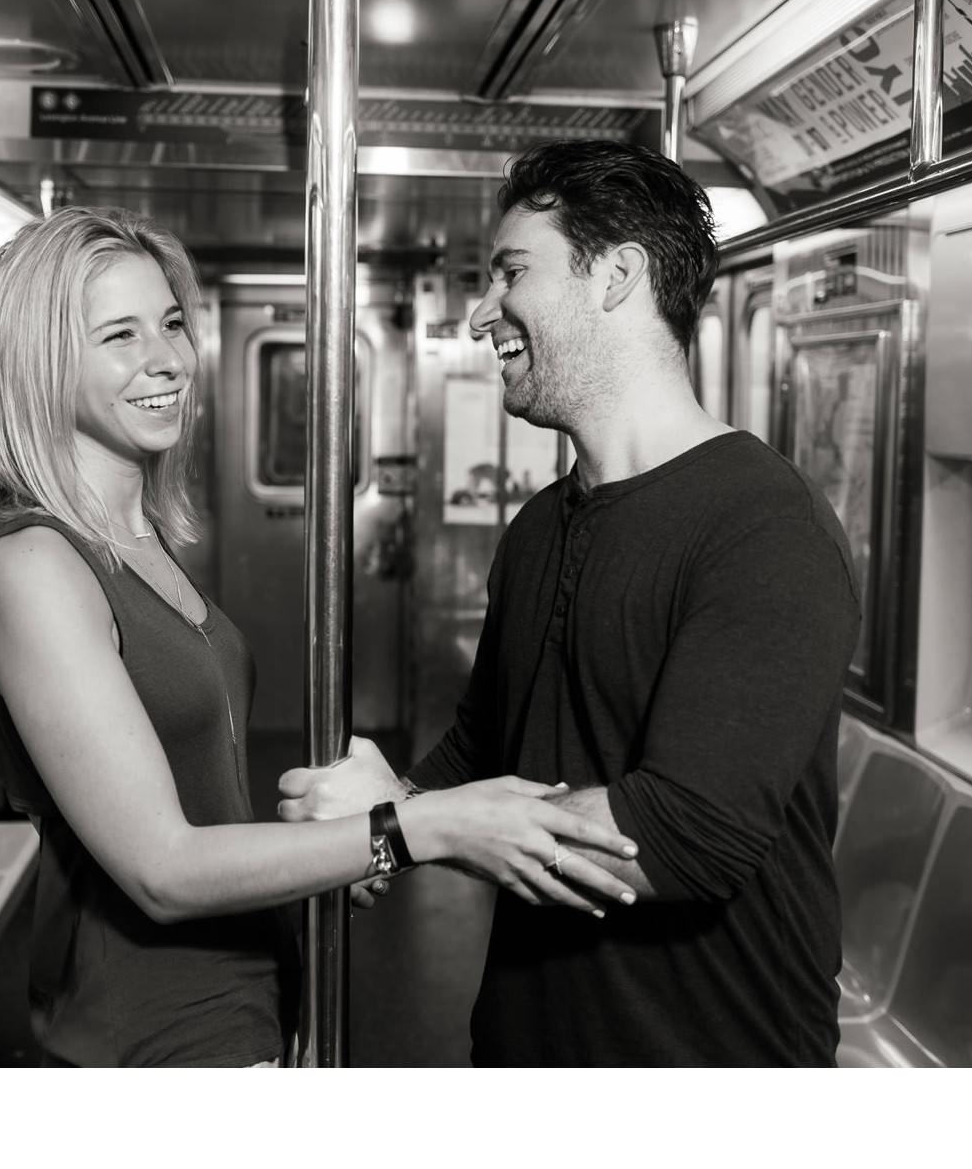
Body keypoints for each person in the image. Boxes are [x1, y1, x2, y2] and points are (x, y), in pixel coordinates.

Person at [0, 205, 641, 1068]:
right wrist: (422, 828)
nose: (165, 361)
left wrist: (320, 892)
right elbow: (162, 867)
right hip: (146, 1039)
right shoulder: (33, 567)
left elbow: (208, 803)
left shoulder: (138, 541)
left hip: (244, 1005)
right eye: (118, 336)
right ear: (37, 363)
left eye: (170, 325)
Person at [279, 140, 860, 1066]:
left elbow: (680, 839)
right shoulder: (543, 524)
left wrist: (410, 829)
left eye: (512, 272)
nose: (481, 314)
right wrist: (372, 825)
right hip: (529, 1041)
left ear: (617, 276)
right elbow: (487, 741)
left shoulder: (764, 530)